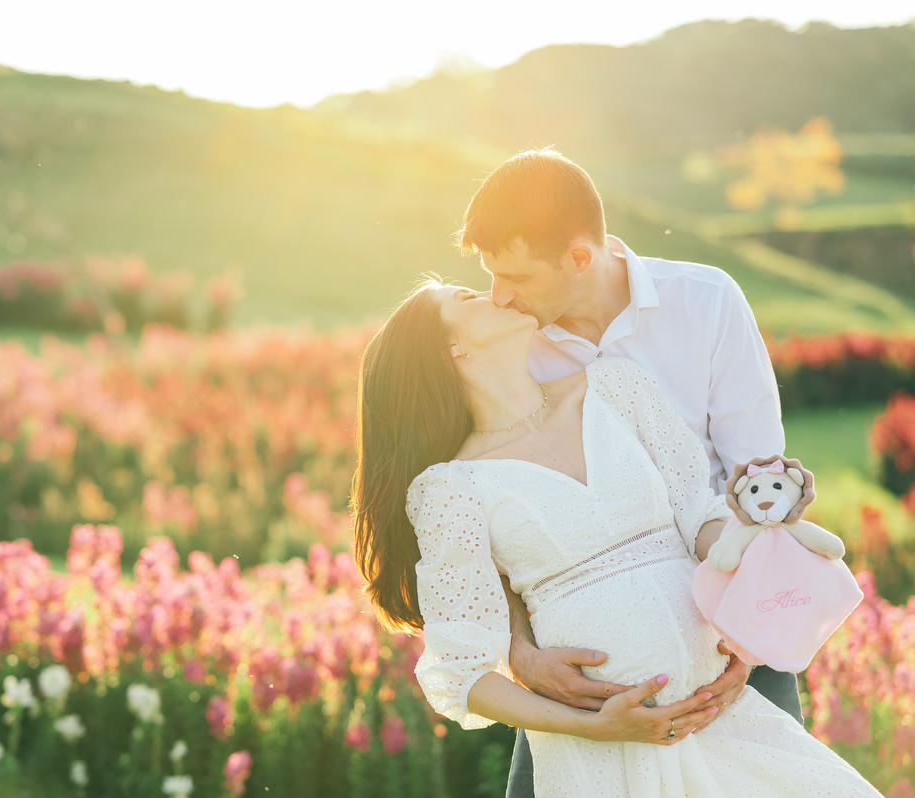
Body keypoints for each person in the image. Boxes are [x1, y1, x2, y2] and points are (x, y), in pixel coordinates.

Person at [349, 278, 881, 797]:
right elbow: (462, 675)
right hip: (602, 763)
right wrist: (596, 727)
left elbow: (697, 514)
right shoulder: (450, 488)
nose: (494, 291)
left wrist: (755, 561)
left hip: (719, 716)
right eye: (467, 296)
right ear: (450, 347)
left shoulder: (617, 388)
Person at [453, 149, 815, 797]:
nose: (498, 296)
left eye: (516, 276)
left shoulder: (705, 303)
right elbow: (485, 532)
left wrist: (750, 642)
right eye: (489, 276)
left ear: (580, 259)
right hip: (588, 677)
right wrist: (523, 655)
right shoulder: (506, 349)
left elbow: (758, 488)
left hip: (729, 644)